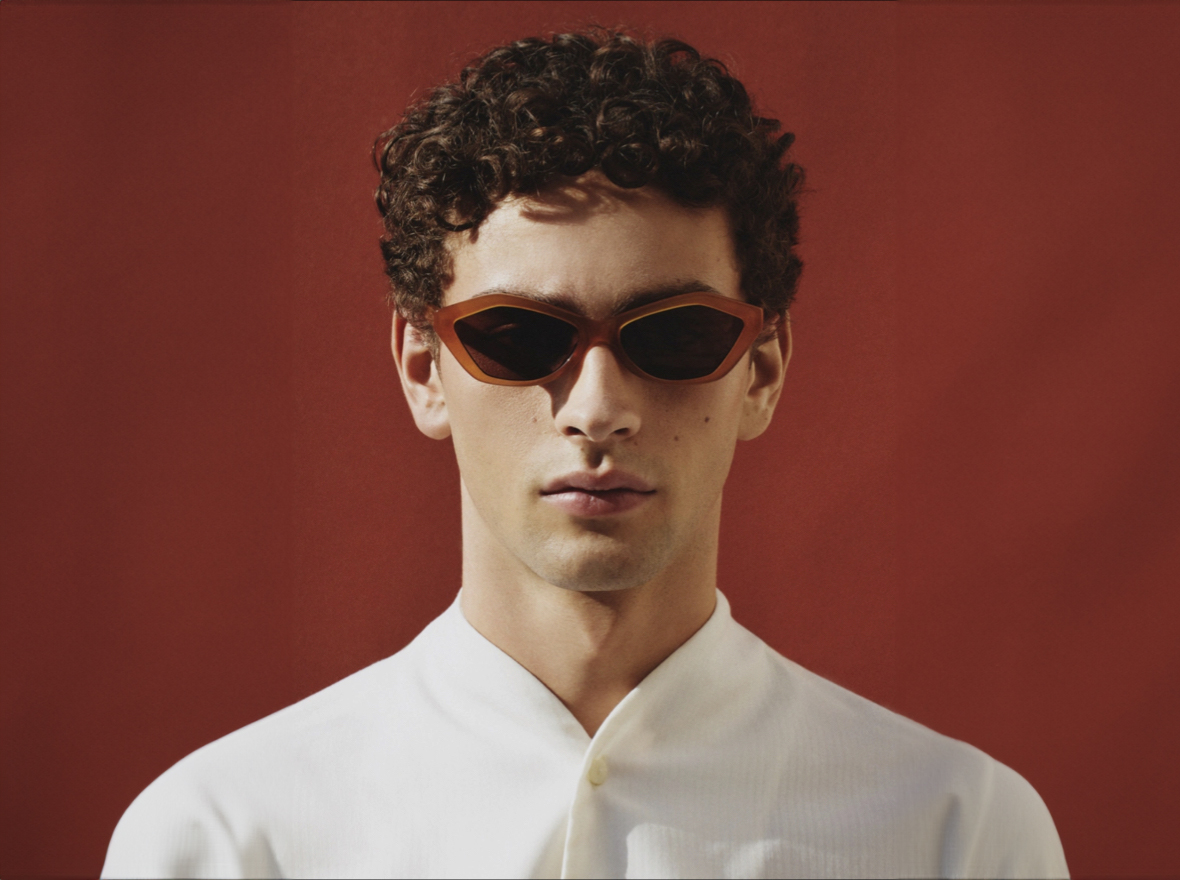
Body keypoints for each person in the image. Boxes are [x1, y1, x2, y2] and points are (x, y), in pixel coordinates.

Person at [102, 30, 1068, 879]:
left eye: (675, 335)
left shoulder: (956, 838)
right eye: (519, 336)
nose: (598, 409)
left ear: (763, 370)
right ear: (424, 367)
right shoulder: (226, 842)